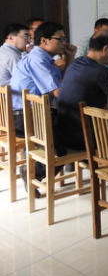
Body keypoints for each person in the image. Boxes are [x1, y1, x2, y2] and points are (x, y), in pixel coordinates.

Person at [10, 22, 77, 186]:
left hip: (31, 112)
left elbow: (60, 84)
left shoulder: (43, 57)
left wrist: (70, 58)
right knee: (66, 144)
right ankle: (33, 171)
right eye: (60, 39)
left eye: (65, 39)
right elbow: (58, 92)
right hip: (25, 117)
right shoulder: (38, 59)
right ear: (44, 40)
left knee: (70, 132)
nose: (65, 43)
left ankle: (34, 165)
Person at [57, 31, 108, 150]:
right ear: (105, 49)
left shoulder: (75, 63)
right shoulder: (100, 71)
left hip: (62, 133)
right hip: (83, 138)